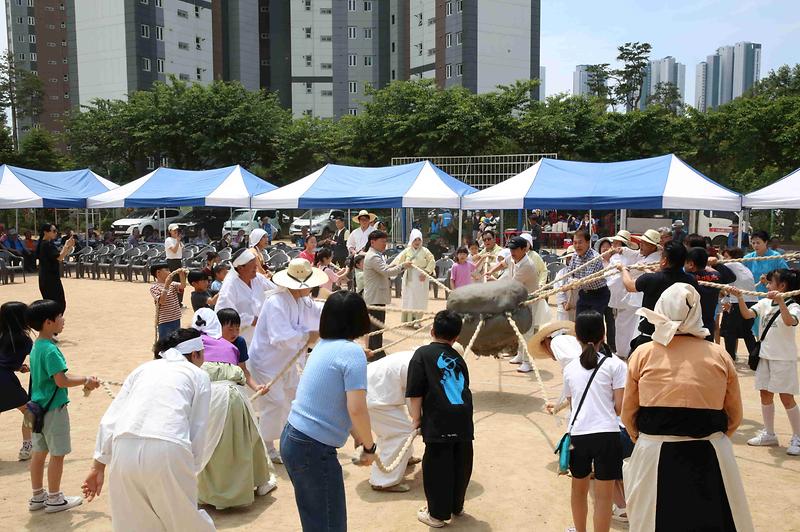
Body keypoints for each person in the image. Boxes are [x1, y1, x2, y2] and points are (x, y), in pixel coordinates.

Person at [622, 283, 753, 531]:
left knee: (653, 521)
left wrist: (644, 439)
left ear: (660, 309)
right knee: (714, 519)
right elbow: (734, 415)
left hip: (654, 450)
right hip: (711, 451)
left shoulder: (643, 353)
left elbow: (628, 412)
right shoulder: (719, 354)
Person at [81, 328, 214, 531]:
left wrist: (97, 466)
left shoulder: (142, 369)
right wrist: (191, 467)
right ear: (195, 354)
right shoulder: (198, 375)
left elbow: (111, 418)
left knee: (135, 523)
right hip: (169, 448)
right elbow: (198, 426)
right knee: (186, 522)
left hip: (123, 447)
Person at [280, 291, 375, 531]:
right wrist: (369, 446)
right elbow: (356, 408)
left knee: (316, 520)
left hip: (293, 437)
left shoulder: (322, 345)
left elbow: (332, 400)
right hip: (312, 448)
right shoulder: (352, 352)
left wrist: (357, 436)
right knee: (330, 524)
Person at [190, 309, 276, 509]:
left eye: (237, 328)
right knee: (241, 442)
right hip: (228, 398)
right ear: (217, 326)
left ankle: (208, 490)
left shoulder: (236, 344)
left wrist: (257, 387)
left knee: (219, 444)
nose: (235, 332)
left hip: (219, 397)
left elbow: (244, 371)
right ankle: (255, 483)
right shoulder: (203, 344)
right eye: (230, 328)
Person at [26, 299, 100, 513]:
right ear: (48, 322)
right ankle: (55, 498)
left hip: (36, 409)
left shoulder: (37, 346)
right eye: (59, 316)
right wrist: (86, 380)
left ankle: (37, 496)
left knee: (39, 453)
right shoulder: (51, 350)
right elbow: (61, 380)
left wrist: (84, 379)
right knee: (57, 454)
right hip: (53, 410)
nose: (63, 320)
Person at [249, 258, 326, 464]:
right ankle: (267, 446)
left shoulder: (302, 300)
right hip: (268, 362)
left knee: (293, 398)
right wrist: (307, 336)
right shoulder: (276, 302)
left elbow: (317, 310)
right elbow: (280, 337)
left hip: (289, 360)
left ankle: (289, 440)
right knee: (274, 403)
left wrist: (340, 306)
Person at [561, 311, 626, 532]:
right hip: (608, 434)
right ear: (603, 335)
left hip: (579, 434)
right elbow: (619, 407)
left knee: (578, 491)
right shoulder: (616, 366)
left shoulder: (570, 368)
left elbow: (572, 405)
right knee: (604, 496)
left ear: (577, 337)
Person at [407, 310, 472, 528]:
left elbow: (415, 392)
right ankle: (456, 506)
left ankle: (436, 514)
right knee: (461, 462)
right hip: (462, 418)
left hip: (439, 420)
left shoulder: (421, 354)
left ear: (432, 330)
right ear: (457, 337)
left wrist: (416, 419)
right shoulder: (458, 357)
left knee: (437, 466)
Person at [730, 269, 800, 454]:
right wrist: (740, 298)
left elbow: (789, 321)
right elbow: (747, 315)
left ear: (782, 286)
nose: (767, 286)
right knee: (765, 394)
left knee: (786, 398)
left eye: (770, 283)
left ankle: (798, 437)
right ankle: (769, 434)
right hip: (765, 356)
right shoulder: (764, 303)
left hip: (783, 359)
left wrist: (781, 302)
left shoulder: (793, 306)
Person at [619, 240, 698, 352]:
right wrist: (646, 269)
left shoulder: (651, 279)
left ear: (664, 260)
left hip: (650, 337)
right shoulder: (691, 281)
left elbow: (630, 286)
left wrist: (623, 269)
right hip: (679, 337)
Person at [485, 237, 541, 373]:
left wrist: (493, 281)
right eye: (511, 249)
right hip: (518, 300)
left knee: (527, 331)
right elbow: (503, 264)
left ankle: (528, 362)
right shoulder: (513, 257)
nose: (512, 252)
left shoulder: (527, 265)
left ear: (524, 249)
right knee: (519, 329)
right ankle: (520, 355)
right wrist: (491, 271)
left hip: (528, 301)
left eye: (515, 249)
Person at [363, 230, 412, 356]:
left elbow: (384, 269)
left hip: (376, 296)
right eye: (382, 242)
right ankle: (376, 353)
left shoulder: (376, 255)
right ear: (373, 242)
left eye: (386, 242)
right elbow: (386, 272)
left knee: (377, 327)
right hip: (375, 297)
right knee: (376, 328)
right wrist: (402, 266)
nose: (385, 244)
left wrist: (397, 265)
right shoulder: (373, 256)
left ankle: (376, 352)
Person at [215, 249, 276, 345]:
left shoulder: (258, 278)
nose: (256, 268)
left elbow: (276, 292)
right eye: (252, 266)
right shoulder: (230, 286)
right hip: (241, 338)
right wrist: (250, 320)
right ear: (240, 268)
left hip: (262, 335)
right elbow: (223, 313)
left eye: (256, 266)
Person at [0, 301, 34, 461]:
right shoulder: (24, 340)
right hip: (4, 380)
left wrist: (18, 367)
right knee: (29, 411)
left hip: (5, 374)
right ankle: (27, 446)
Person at [684, 246, 735, 338]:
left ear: (691, 264)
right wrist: (717, 265)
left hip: (688, 326)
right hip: (708, 324)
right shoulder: (715, 276)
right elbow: (732, 277)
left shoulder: (685, 277)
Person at [605, 230, 641, 358]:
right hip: (626, 299)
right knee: (625, 327)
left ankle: (624, 353)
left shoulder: (624, 258)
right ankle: (626, 352)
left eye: (616, 243)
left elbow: (614, 280)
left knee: (625, 328)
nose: (613, 245)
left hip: (627, 298)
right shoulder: (622, 257)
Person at [719, 247, 758, 361]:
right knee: (748, 332)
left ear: (732, 257)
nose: (724, 259)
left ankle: (730, 358)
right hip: (751, 301)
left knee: (729, 332)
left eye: (726, 257)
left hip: (737, 302)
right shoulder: (744, 268)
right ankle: (754, 359)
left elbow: (718, 272)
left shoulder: (730, 264)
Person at [390, 229, 436, 325]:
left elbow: (432, 261)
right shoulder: (407, 251)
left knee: (420, 298)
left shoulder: (425, 251)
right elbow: (397, 260)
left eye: (419, 239)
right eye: (415, 240)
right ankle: (409, 320)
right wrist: (388, 267)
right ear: (411, 240)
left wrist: (426, 272)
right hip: (409, 278)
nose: (417, 242)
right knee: (409, 298)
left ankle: (417, 320)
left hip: (421, 277)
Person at [566, 229, 610, 316]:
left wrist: (574, 282)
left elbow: (588, 279)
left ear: (587, 242)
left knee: (593, 321)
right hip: (584, 294)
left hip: (598, 295)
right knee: (580, 321)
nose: (577, 246)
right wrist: (571, 281)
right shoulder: (574, 256)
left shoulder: (595, 258)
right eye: (575, 243)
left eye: (580, 242)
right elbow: (569, 274)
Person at [36, 224, 74, 315]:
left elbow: (59, 257)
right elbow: (59, 257)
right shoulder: (46, 244)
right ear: (46, 232)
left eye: (56, 231)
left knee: (54, 304)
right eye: (53, 231)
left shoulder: (46, 243)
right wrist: (66, 245)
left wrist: (69, 247)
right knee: (57, 304)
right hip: (50, 278)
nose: (56, 233)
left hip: (48, 277)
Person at [150, 263, 187, 341]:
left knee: (175, 341)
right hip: (164, 321)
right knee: (165, 342)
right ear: (158, 273)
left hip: (176, 318)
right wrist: (166, 285)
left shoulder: (172, 284)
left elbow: (183, 286)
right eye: (166, 270)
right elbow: (162, 301)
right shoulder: (154, 288)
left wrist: (181, 275)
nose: (170, 272)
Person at [745, 231, 788, 295]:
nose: (755, 245)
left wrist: (769, 279)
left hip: (772, 295)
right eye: (753, 243)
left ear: (766, 242)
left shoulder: (776, 256)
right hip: (752, 295)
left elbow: (786, 274)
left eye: (758, 243)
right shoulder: (747, 258)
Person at [165, 224, 185, 303]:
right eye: (174, 230)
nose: (176, 231)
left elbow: (182, 249)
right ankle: (173, 301)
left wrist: (178, 241)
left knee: (181, 281)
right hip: (172, 262)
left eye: (177, 230)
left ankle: (179, 301)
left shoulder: (177, 240)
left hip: (178, 261)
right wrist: (178, 241)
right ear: (170, 231)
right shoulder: (168, 240)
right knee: (173, 281)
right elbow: (174, 250)